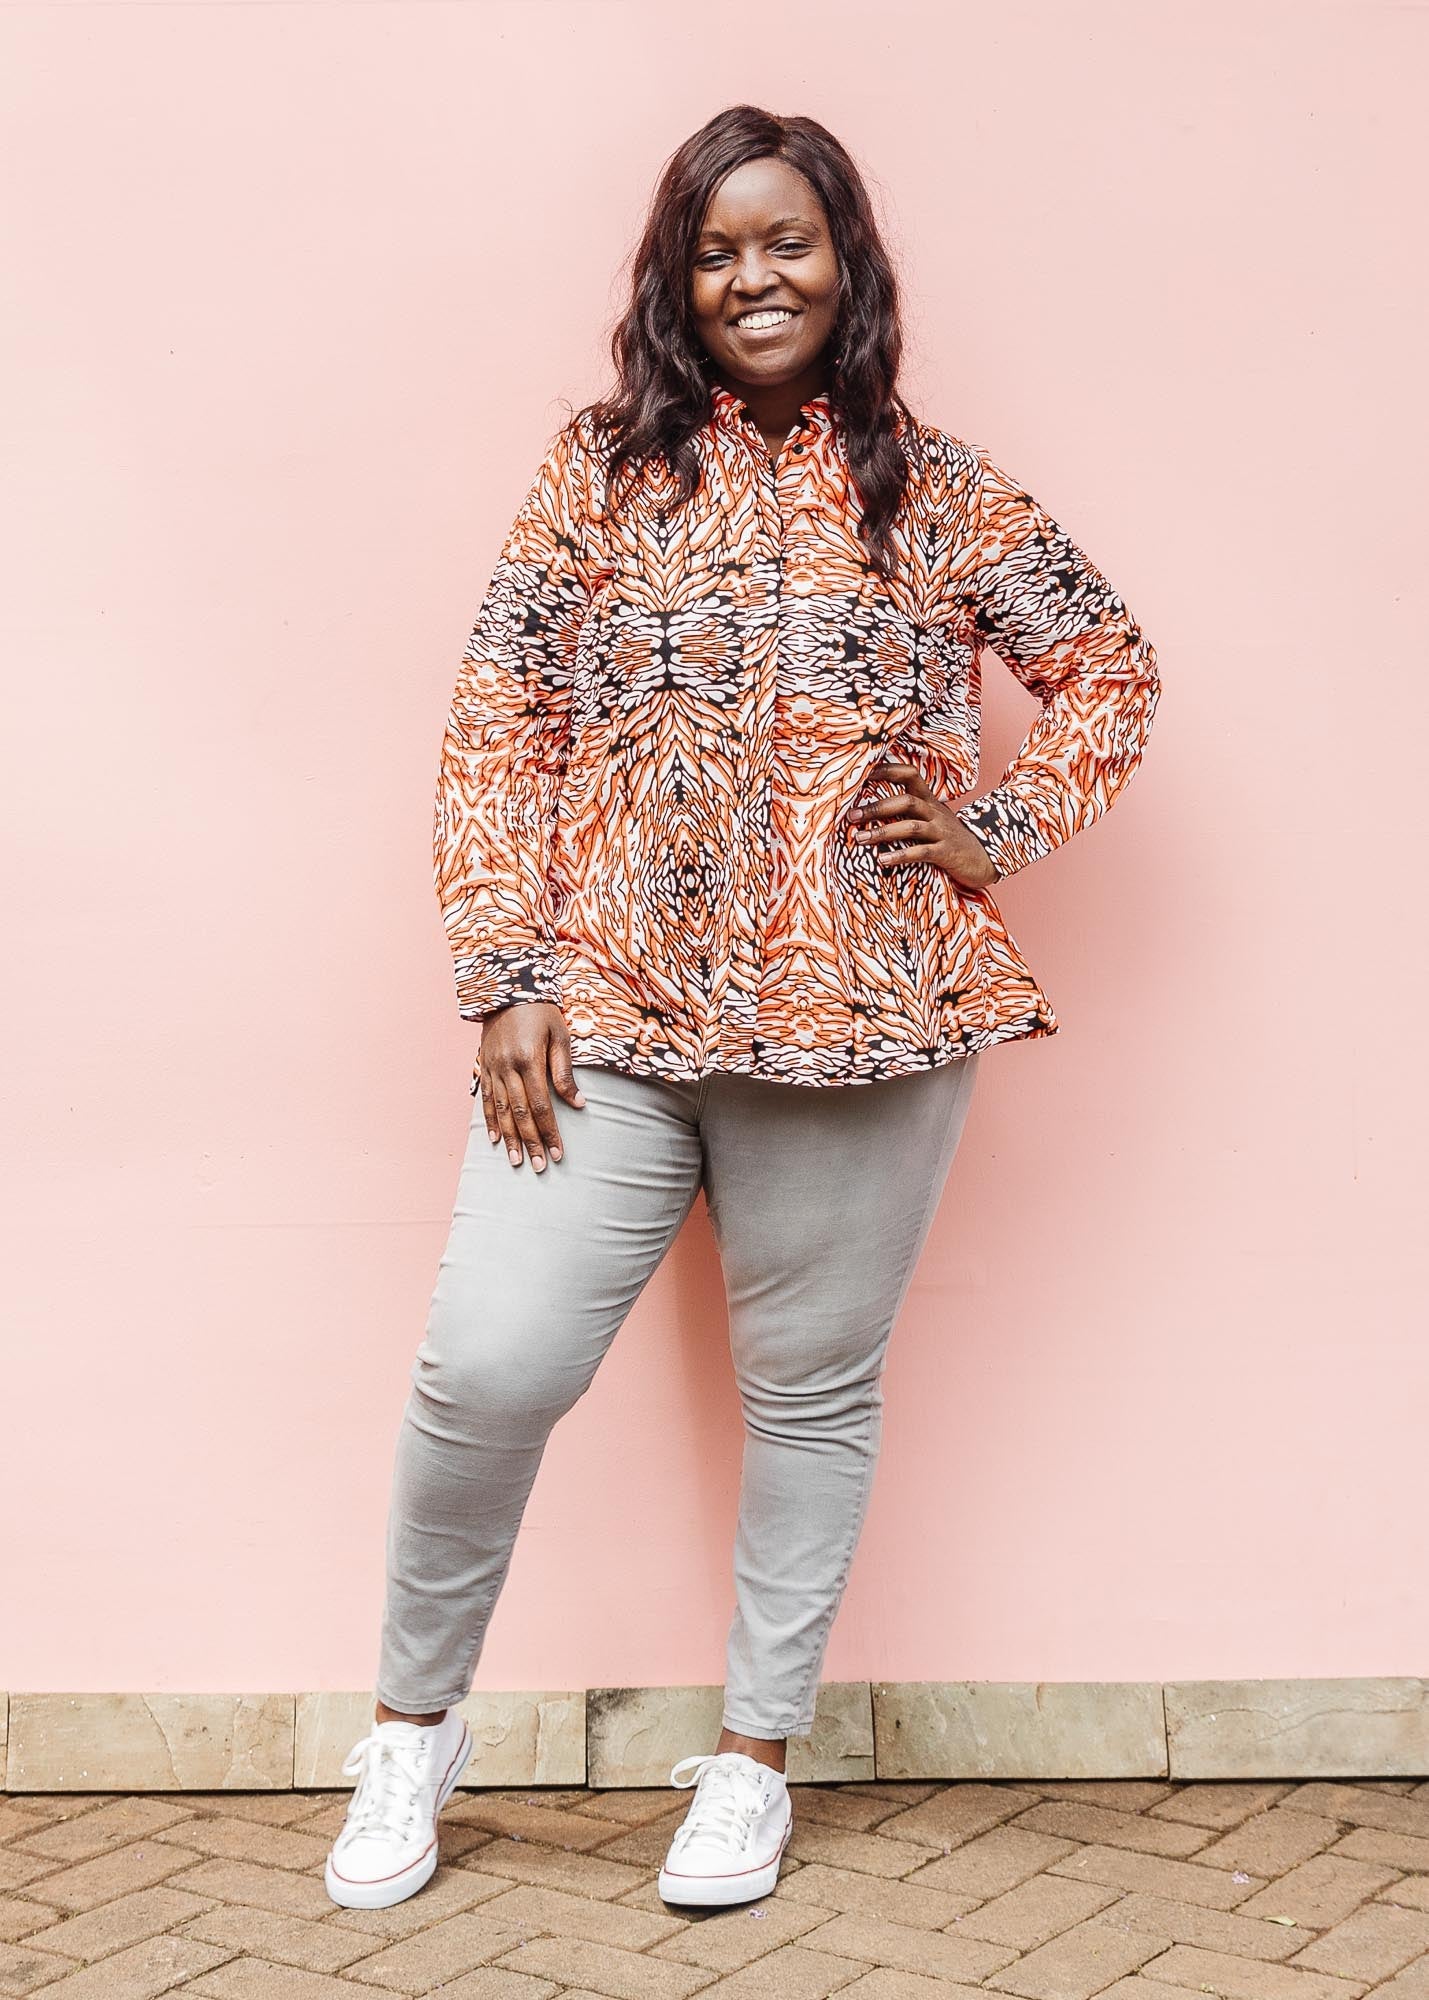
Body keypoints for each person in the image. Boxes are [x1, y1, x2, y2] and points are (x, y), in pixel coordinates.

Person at [323, 103, 1160, 1914]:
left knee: (810, 1396)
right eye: (713, 252)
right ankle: (409, 1736)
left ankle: (752, 1760)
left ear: (845, 261)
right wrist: (504, 971)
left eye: (784, 242)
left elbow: (1108, 663)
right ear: (671, 284)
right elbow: (499, 723)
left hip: (863, 1016)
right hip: (608, 1014)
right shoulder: (597, 475)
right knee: (491, 1366)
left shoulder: (937, 490)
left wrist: (995, 827)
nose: (749, 278)